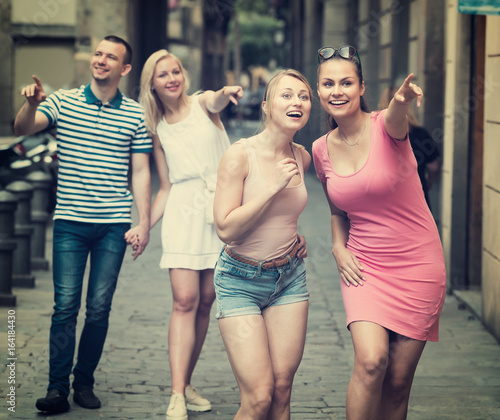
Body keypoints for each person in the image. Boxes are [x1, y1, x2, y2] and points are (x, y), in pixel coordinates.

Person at [13, 35, 152, 414]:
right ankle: (57, 388)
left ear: (124, 69)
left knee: (99, 308)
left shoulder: (135, 115)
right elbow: (24, 128)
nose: (101, 61)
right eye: (98, 54)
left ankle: (83, 383)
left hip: (113, 226)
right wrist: (30, 104)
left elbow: (140, 171)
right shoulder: (62, 101)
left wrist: (145, 222)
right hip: (70, 223)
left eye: (111, 57)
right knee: (64, 306)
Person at [312, 46, 446, 420]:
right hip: (364, 266)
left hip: (418, 264)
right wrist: (338, 247)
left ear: (361, 87)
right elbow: (338, 209)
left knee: (399, 383)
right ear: (319, 90)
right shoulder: (321, 149)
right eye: (328, 84)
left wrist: (401, 100)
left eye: (346, 83)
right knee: (372, 362)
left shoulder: (386, 126)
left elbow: (396, 116)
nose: (337, 91)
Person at [138, 49, 243, 420]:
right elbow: (165, 187)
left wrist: (226, 92)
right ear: (151, 83)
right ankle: (177, 394)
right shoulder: (156, 129)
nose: (172, 78)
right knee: (185, 299)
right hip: (182, 212)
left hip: (220, 210)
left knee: (206, 299)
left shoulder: (203, 104)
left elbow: (215, 98)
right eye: (163, 74)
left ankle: (185, 381)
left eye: (176, 71)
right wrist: (143, 228)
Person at [213, 69, 311, 420]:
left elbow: (287, 217)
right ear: (267, 107)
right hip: (239, 280)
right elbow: (225, 228)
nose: (296, 101)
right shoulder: (240, 155)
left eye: (303, 96)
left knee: (282, 389)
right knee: (258, 397)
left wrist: (297, 237)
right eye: (286, 95)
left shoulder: (302, 156)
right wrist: (273, 186)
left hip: (288, 279)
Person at [378, 85, 441, 210]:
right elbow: (433, 166)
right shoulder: (421, 133)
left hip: (386, 201)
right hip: (417, 199)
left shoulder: (376, 133)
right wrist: (426, 184)